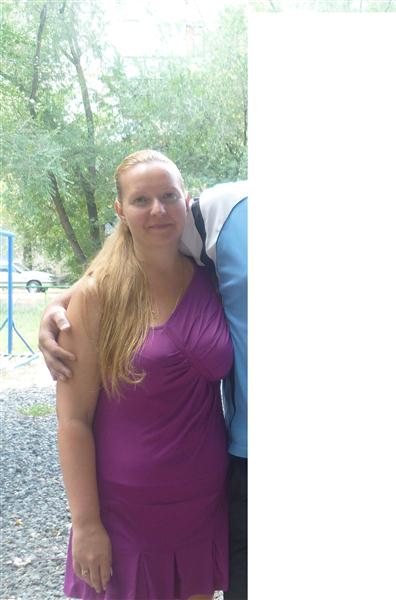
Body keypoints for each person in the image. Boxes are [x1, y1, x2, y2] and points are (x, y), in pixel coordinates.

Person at [41, 176, 249, 598]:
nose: (158, 207)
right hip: (135, 505)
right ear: (119, 209)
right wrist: (86, 523)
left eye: (169, 196)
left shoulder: (203, 276)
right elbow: (73, 419)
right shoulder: (226, 211)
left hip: (203, 496)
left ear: (182, 198)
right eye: (140, 199)